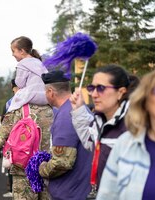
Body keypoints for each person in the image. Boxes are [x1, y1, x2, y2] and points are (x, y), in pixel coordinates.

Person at [70, 64, 139, 191]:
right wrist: (79, 109)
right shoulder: (102, 121)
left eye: (101, 88)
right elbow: (91, 142)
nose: (94, 94)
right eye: (92, 88)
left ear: (120, 92)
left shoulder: (134, 127)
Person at [97, 68, 155, 200]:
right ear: (145, 99)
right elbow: (107, 195)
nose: (94, 94)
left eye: (101, 88)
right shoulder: (125, 143)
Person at [38, 70, 92, 200]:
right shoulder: (79, 108)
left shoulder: (65, 116)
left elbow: (62, 163)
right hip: (80, 189)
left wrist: (41, 168)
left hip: (69, 192)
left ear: (50, 92)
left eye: (45, 92)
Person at [7, 36, 48, 112]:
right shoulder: (39, 62)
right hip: (45, 96)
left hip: (32, 96)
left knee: (11, 105)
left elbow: (20, 84)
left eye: (13, 51)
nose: (12, 54)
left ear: (21, 51)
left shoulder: (22, 64)